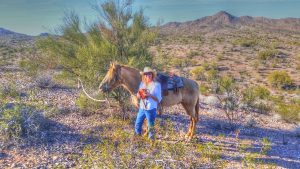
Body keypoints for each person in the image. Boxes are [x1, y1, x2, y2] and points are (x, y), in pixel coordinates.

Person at [135, 67, 162, 140]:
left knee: (151, 126)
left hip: (151, 109)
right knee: (138, 124)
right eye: (146, 74)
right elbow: (138, 94)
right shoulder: (142, 84)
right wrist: (138, 95)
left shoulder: (156, 85)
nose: (148, 75)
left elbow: (158, 99)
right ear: (144, 76)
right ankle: (138, 138)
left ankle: (151, 141)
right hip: (142, 108)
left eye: (149, 74)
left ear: (152, 75)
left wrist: (149, 95)